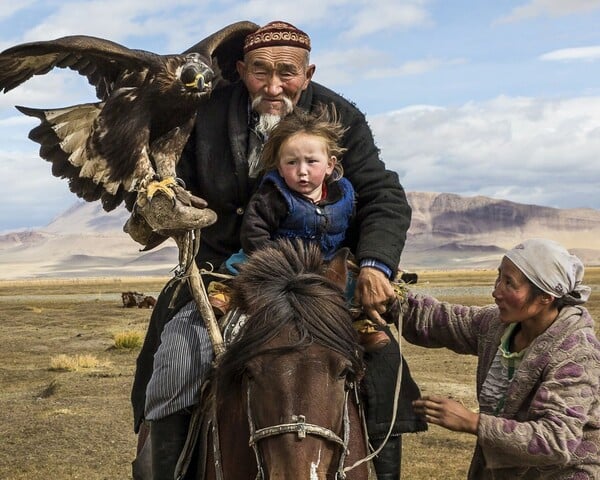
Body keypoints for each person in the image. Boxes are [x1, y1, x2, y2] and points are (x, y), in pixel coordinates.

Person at [131, 20, 425, 480]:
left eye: (286, 73)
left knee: (384, 365)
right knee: (178, 358)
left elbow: (383, 195)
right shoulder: (202, 111)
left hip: (323, 281)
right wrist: (160, 203)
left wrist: (374, 265)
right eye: (260, 72)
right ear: (241, 70)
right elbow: (166, 178)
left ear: (307, 74)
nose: (273, 85)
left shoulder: (341, 116)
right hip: (224, 274)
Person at [402, 238, 599, 479]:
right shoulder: (497, 325)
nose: (496, 292)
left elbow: (556, 440)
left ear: (546, 296)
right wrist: (391, 298)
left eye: (509, 283)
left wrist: (473, 422)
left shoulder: (576, 352)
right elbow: (442, 320)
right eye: (499, 278)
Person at [217, 104, 391, 351]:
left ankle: (358, 325)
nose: (302, 171)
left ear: (330, 164)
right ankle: (226, 293)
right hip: (276, 259)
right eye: (291, 163)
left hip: (322, 264)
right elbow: (254, 231)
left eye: (311, 161)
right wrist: (274, 261)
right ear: (279, 166)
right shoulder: (274, 194)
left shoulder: (344, 194)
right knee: (240, 266)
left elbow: (350, 228)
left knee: (350, 288)